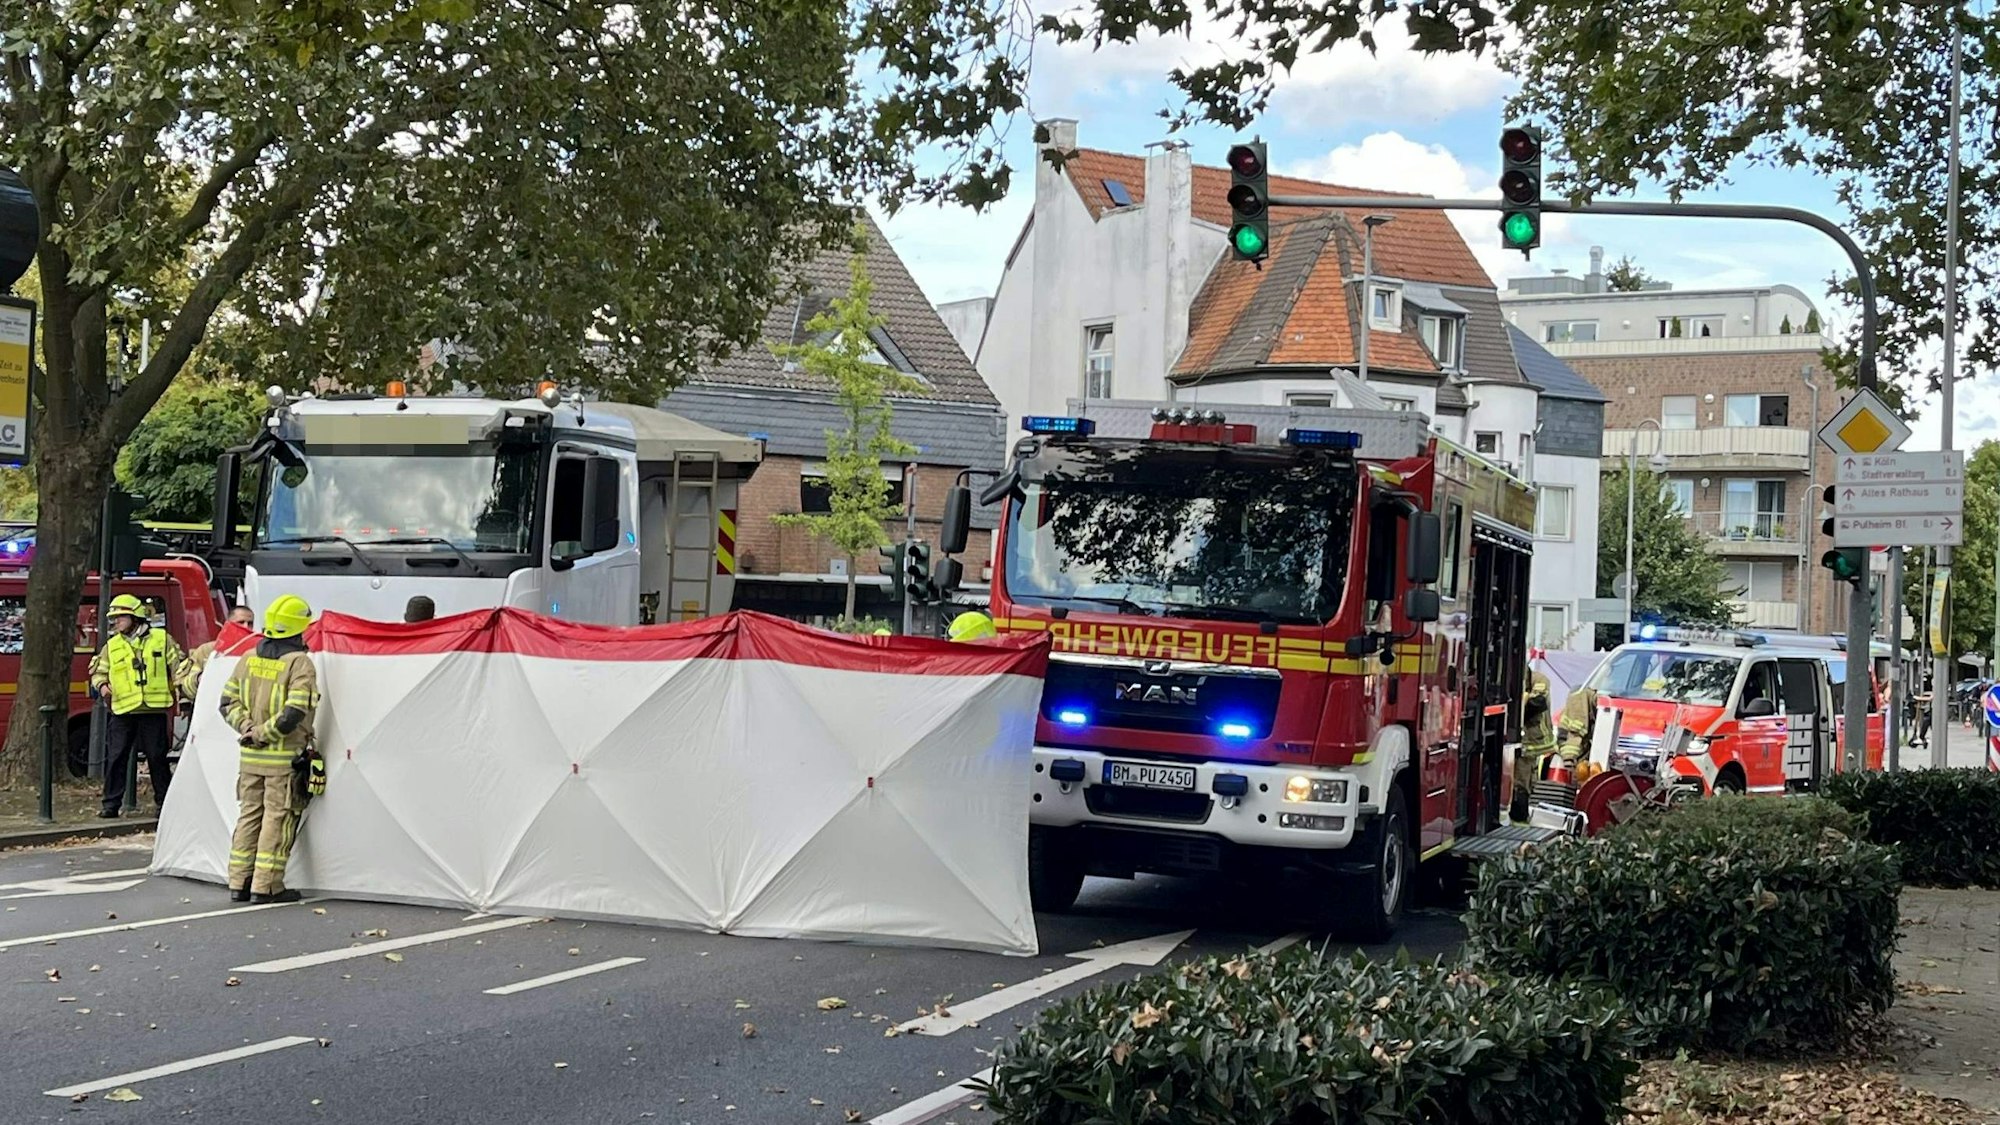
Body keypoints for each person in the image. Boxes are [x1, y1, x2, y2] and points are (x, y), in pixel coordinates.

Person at [220, 595, 322, 904]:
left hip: (249, 757)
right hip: (283, 760)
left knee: (249, 816)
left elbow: (226, 704)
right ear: (298, 629)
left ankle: (239, 882)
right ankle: (266, 886)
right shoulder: (299, 663)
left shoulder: (248, 657)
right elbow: (295, 711)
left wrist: (247, 730)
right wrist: (264, 734)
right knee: (277, 820)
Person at [87, 593, 194, 818]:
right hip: (123, 711)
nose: (115, 622)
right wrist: (103, 685)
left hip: (153, 710)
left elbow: (180, 669)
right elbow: (97, 671)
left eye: (120, 617)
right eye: (114, 618)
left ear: (135, 617)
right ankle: (110, 805)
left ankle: (164, 803)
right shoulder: (112, 645)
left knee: (157, 758)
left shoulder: (161, 639)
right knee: (116, 758)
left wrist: (184, 699)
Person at [1514, 669, 1557, 823]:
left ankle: (1520, 817)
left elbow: (1537, 703)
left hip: (1534, 739)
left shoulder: (1540, 680)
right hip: (1523, 740)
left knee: (1522, 778)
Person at [190, 606, 257, 676]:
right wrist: (200, 678)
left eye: (250, 623)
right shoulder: (207, 650)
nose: (246, 627)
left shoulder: (256, 652)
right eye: (241, 622)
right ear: (228, 624)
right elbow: (185, 682)